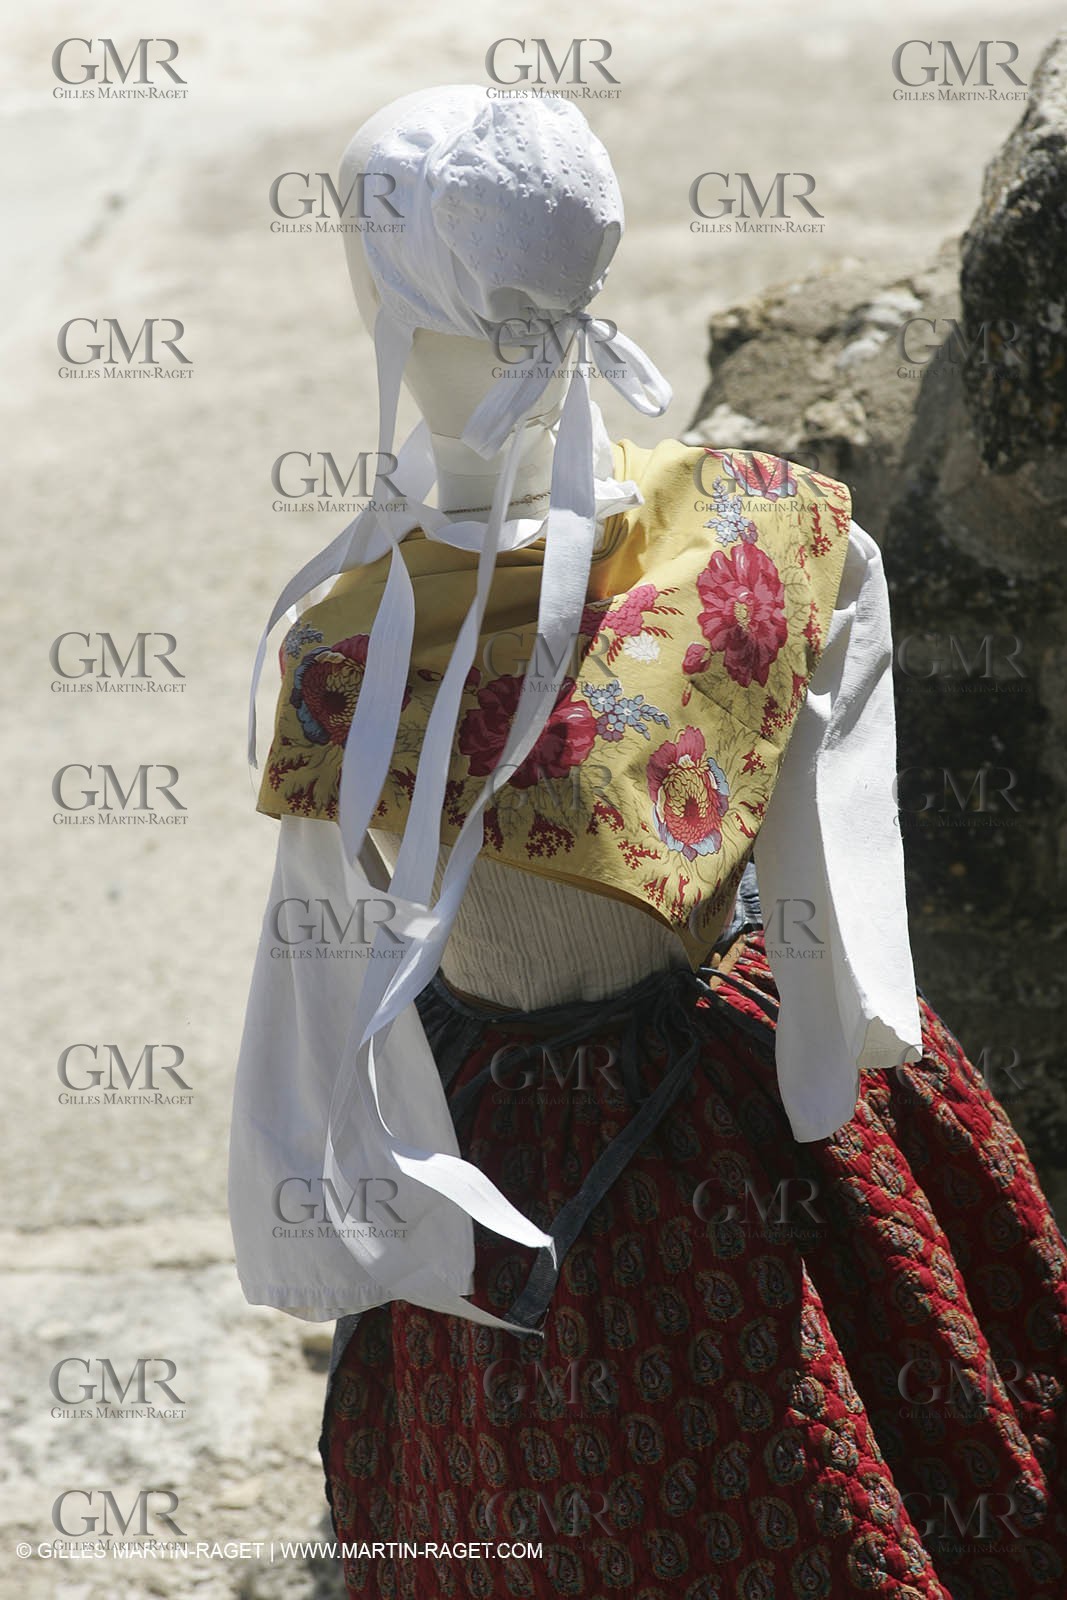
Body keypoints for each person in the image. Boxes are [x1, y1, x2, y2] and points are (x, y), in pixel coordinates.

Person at [229, 86, 1067, 1600]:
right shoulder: (780, 535)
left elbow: (325, 1001)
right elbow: (841, 938)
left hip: (531, 1154)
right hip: (763, 1089)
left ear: (389, 300)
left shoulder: (343, 656)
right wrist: (837, 1067)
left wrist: (337, 1233)